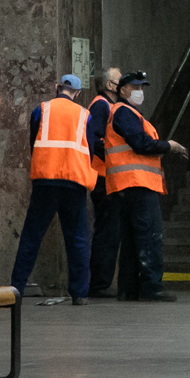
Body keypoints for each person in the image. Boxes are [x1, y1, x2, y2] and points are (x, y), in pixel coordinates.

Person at [10, 75, 98, 304]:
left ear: (57, 88)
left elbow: (33, 142)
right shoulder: (84, 115)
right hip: (74, 181)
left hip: (45, 180)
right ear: (77, 93)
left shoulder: (42, 109)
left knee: (31, 236)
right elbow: (89, 148)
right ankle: (79, 294)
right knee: (77, 238)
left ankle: (15, 290)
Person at [103, 70, 190, 301]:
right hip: (137, 184)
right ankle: (152, 288)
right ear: (122, 90)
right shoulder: (125, 112)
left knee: (132, 240)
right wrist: (168, 146)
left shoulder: (124, 113)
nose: (140, 92)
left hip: (126, 185)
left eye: (142, 88)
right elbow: (140, 143)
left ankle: (129, 289)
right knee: (149, 236)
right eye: (136, 87)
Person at [85, 66, 124, 297]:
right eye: (120, 79)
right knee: (107, 232)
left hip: (106, 177)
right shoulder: (102, 105)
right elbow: (96, 139)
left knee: (109, 231)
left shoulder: (107, 106)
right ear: (110, 85)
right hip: (103, 178)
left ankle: (101, 283)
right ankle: (99, 285)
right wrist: (115, 158)